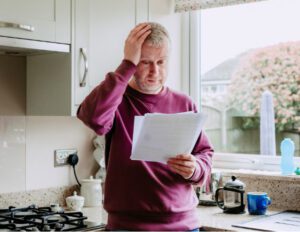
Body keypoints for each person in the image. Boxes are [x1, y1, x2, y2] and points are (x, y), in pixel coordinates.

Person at [77, 22, 214, 231]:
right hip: (127, 227)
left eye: (161, 62)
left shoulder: (184, 103)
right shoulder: (117, 100)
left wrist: (195, 168)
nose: (154, 71)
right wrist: (126, 64)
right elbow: (93, 118)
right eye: (145, 62)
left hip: (183, 226)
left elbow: (205, 154)